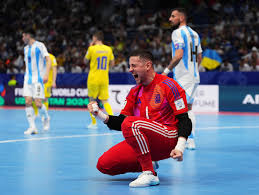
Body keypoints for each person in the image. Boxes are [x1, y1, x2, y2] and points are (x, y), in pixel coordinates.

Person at [88, 50, 192, 187]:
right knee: (104, 165)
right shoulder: (134, 92)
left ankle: (149, 174)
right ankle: (150, 162)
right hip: (146, 140)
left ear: (147, 66)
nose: (130, 70)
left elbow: (185, 120)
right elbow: (121, 123)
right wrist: (100, 115)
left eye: (134, 66)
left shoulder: (169, 85)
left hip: (169, 137)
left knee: (131, 123)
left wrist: (180, 147)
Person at [162, 8, 202, 150]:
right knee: (188, 108)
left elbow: (179, 55)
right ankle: (190, 140)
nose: (170, 19)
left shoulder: (177, 33)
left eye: (173, 16)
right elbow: (199, 57)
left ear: (181, 18)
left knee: (177, 110)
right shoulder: (195, 34)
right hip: (194, 77)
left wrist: (166, 71)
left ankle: (182, 141)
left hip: (183, 78)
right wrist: (193, 70)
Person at [22, 27, 51, 135]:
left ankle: (46, 117)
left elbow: (48, 60)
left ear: (28, 35)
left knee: (38, 103)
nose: (22, 38)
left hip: (38, 79)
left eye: (23, 35)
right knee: (28, 101)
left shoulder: (40, 45)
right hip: (27, 80)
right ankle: (32, 127)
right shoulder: (25, 49)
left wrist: (46, 74)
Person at [84, 31, 115, 129]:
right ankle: (113, 123)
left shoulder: (92, 48)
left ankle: (94, 124)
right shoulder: (108, 49)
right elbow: (112, 63)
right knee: (105, 101)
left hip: (93, 78)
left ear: (95, 38)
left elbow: (85, 61)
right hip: (104, 78)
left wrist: (89, 48)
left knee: (92, 101)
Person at [32, 52, 57, 130]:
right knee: (34, 98)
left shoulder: (51, 57)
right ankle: (36, 114)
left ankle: (45, 117)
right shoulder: (37, 57)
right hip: (38, 81)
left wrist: (53, 81)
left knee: (45, 99)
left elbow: (54, 69)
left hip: (47, 82)